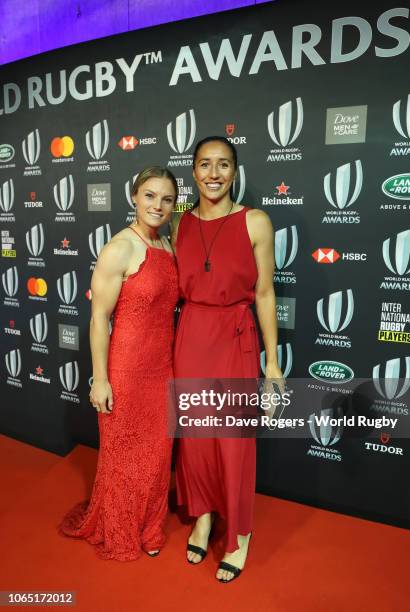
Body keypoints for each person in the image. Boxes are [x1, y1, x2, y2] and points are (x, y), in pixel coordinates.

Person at [172, 137, 284, 582]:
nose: (213, 173)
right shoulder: (180, 223)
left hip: (236, 336)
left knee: (233, 440)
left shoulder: (256, 221)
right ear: (193, 172)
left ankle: (238, 533)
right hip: (191, 336)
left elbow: (265, 292)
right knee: (196, 438)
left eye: (223, 165)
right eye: (204, 165)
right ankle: (203, 515)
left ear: (235, 171)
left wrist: (272, 363)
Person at [59, 166, 179, 560]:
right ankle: (121, 529)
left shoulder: (168, 246)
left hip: (162, 370)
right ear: (134, 196)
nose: (157, 205)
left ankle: (149, 527)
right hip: (125, 370)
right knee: (125, 457)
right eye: (149, 195)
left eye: (166, 199)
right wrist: (100, 380)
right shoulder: (119, 248)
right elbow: (98, 319)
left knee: (158, 456)